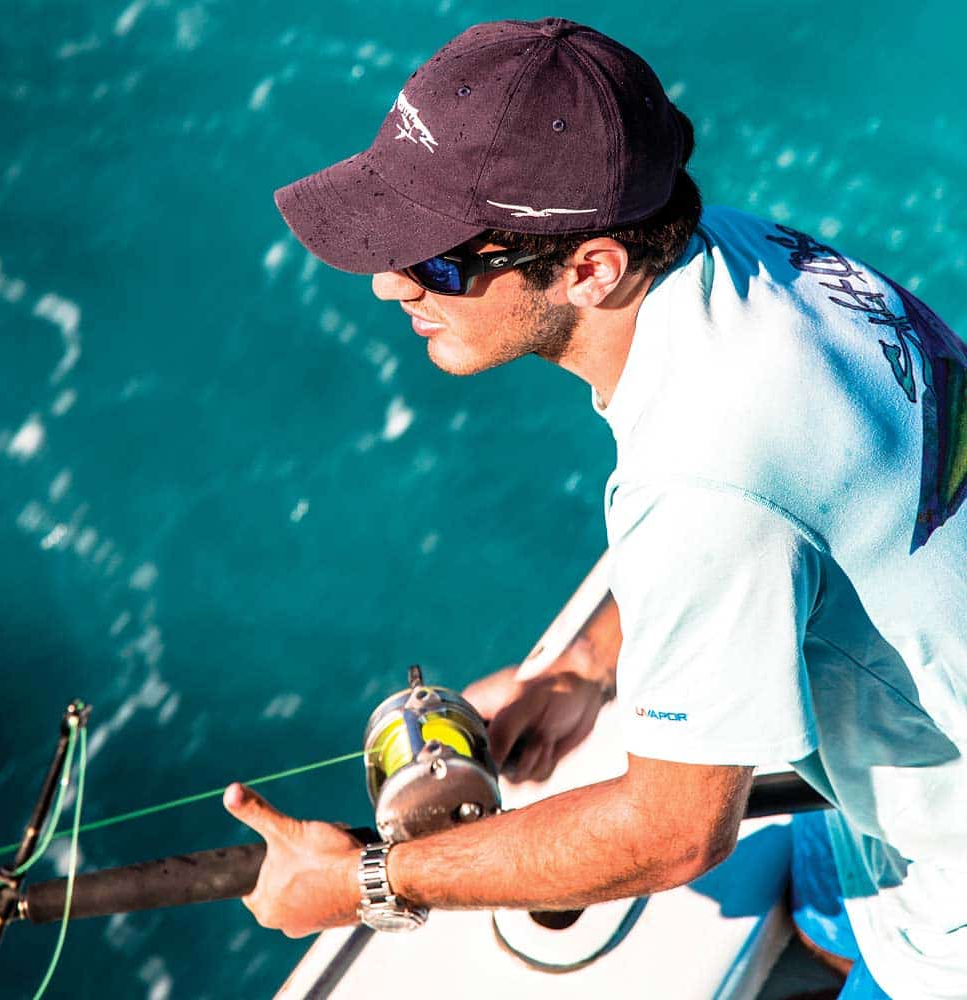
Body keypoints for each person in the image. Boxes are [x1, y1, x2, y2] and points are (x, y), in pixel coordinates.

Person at [222, 17, 967, 999]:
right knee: (826, 907)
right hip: (902, 765)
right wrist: (587, 663)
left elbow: (672, 832)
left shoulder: (704, 474)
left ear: (590, 269)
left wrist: (363, 881)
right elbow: (783, 512)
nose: (388, 282)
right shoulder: (744, 253)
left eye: (436, 259)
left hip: (948, 902)